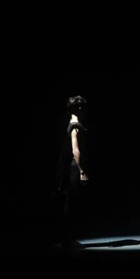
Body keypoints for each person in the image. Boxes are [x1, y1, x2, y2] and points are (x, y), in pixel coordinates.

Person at [59, 95, 90, 251]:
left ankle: (69, 239)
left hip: (71, 167)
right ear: (78, 108)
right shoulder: (75, 126)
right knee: (71, 203)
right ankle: (68, 240)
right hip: (74, 168)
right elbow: (75, 150)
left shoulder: (72, 124)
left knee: (70, 203)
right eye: (82, 108)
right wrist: (81, 170)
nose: (84, 111)